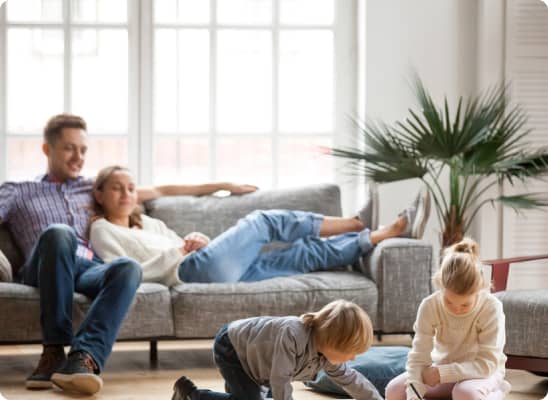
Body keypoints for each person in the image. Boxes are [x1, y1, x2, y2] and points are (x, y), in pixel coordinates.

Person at [0, 114, 256, 395]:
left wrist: (223, 186)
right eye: (69, 148)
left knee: (128, 267)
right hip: (43, 267)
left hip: (86, 266)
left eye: (83, 150)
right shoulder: (18, 191)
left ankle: (83, 359)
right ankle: (53, 351)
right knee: (60, 233)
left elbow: (161, 190)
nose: (78, 157)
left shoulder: (92, 188)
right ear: (47, 149)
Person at [88, 165, 431, 286]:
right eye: (116, 188)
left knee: (302, 255)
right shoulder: (102, 229)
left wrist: (196, 238)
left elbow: (184, 241)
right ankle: (355, 222)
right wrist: (179, 252)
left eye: (130, 188)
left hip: (208, 265)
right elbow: (121, 271)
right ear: (100, 194)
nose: (126, 194)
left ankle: (376, 235)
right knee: (264, 221)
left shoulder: (148, 222)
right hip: (188, 271)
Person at [171, 299, 383, 400]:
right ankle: (190, 395)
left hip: (259, 361)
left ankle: (239, 390)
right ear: (333, 341)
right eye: (351, 351)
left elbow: (351, 379)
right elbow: (280, 379)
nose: (354, 357)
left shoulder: (328, 354)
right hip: (233, 348)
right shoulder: (293, 334)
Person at [384, 238, 511, 400]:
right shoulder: (429, 305)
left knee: (464, 394)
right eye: (449, 302)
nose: (456, 309)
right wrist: (413, 394)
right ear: (440, 285)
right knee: (394, 391)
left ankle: (498, 391)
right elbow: (418, 356)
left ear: (480, 289)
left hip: (483, 371)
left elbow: (487, 364)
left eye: (465, 305)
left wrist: (442, 373)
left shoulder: (491, 307)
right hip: (443, 367)